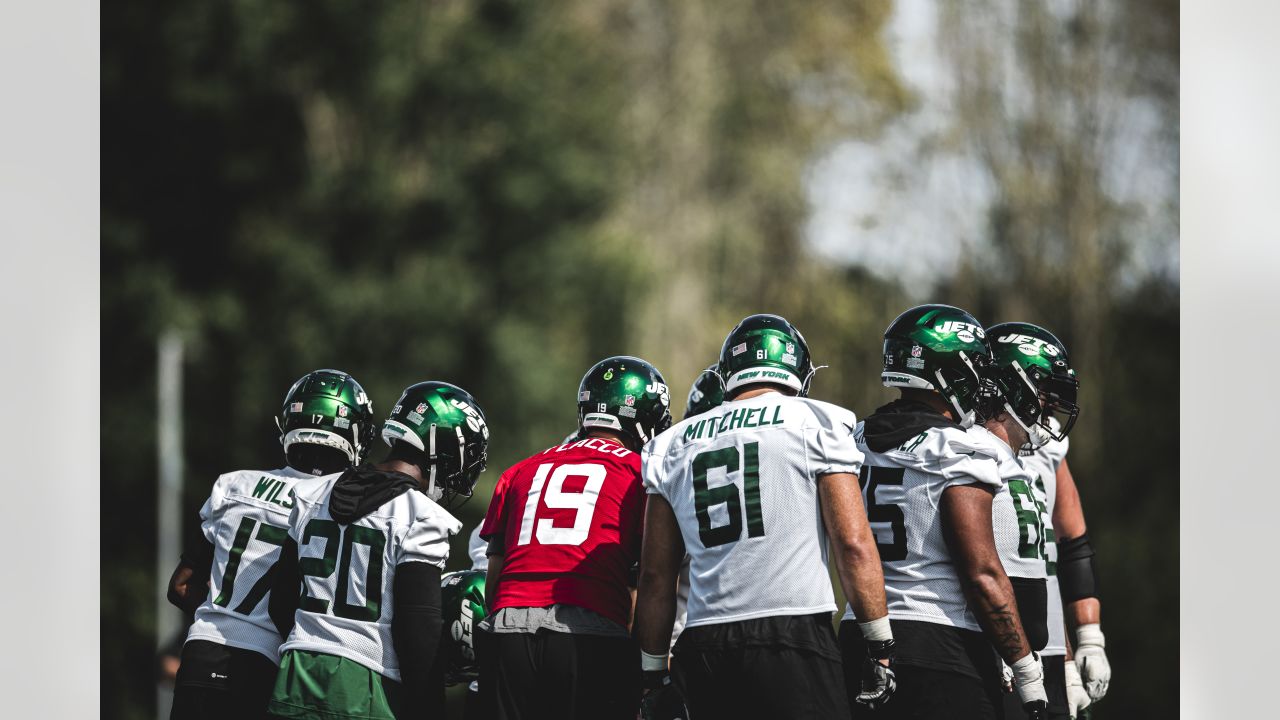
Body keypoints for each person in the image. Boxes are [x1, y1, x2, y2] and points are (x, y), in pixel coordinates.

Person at [634, 313, 895, 720]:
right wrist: (879, 643)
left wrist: (652, 675)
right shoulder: (817, 421)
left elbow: (655, 575)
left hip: (703, 642)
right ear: (797, 370)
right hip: (791, 634)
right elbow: (853, 544)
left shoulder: (671, 445)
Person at [837, 304, 1047, 720]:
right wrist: (1025, 668)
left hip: (859, 637)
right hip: (941, 644)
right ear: (955, 369)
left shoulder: (850, 440)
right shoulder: (957, 449)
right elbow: (982, 573)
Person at [266, 381, 489, 720]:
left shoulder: (312, 492)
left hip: (295, 672)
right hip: (366, 682)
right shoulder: (420, 515)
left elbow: (281, 600)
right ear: (441, 444)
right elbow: (418, 633)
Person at [166, 369, 375, 720]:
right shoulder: (334, 505)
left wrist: (227, 618)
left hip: (199, 658)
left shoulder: (233, 485)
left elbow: (181, 586)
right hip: (266, 664)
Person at [478, 356, 671, 720]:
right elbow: (651, 578)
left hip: (508, 628)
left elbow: (495, 578)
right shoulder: (642, 475)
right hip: (588, 628)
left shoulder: (519, 471)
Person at [986, 322, 1101, 719]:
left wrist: (1086, 640)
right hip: (993, 646)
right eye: (1044, 392)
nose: (1050, 407)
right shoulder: (968, 445)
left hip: (1048, 646)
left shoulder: (1048, 444)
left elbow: (1068, 546)